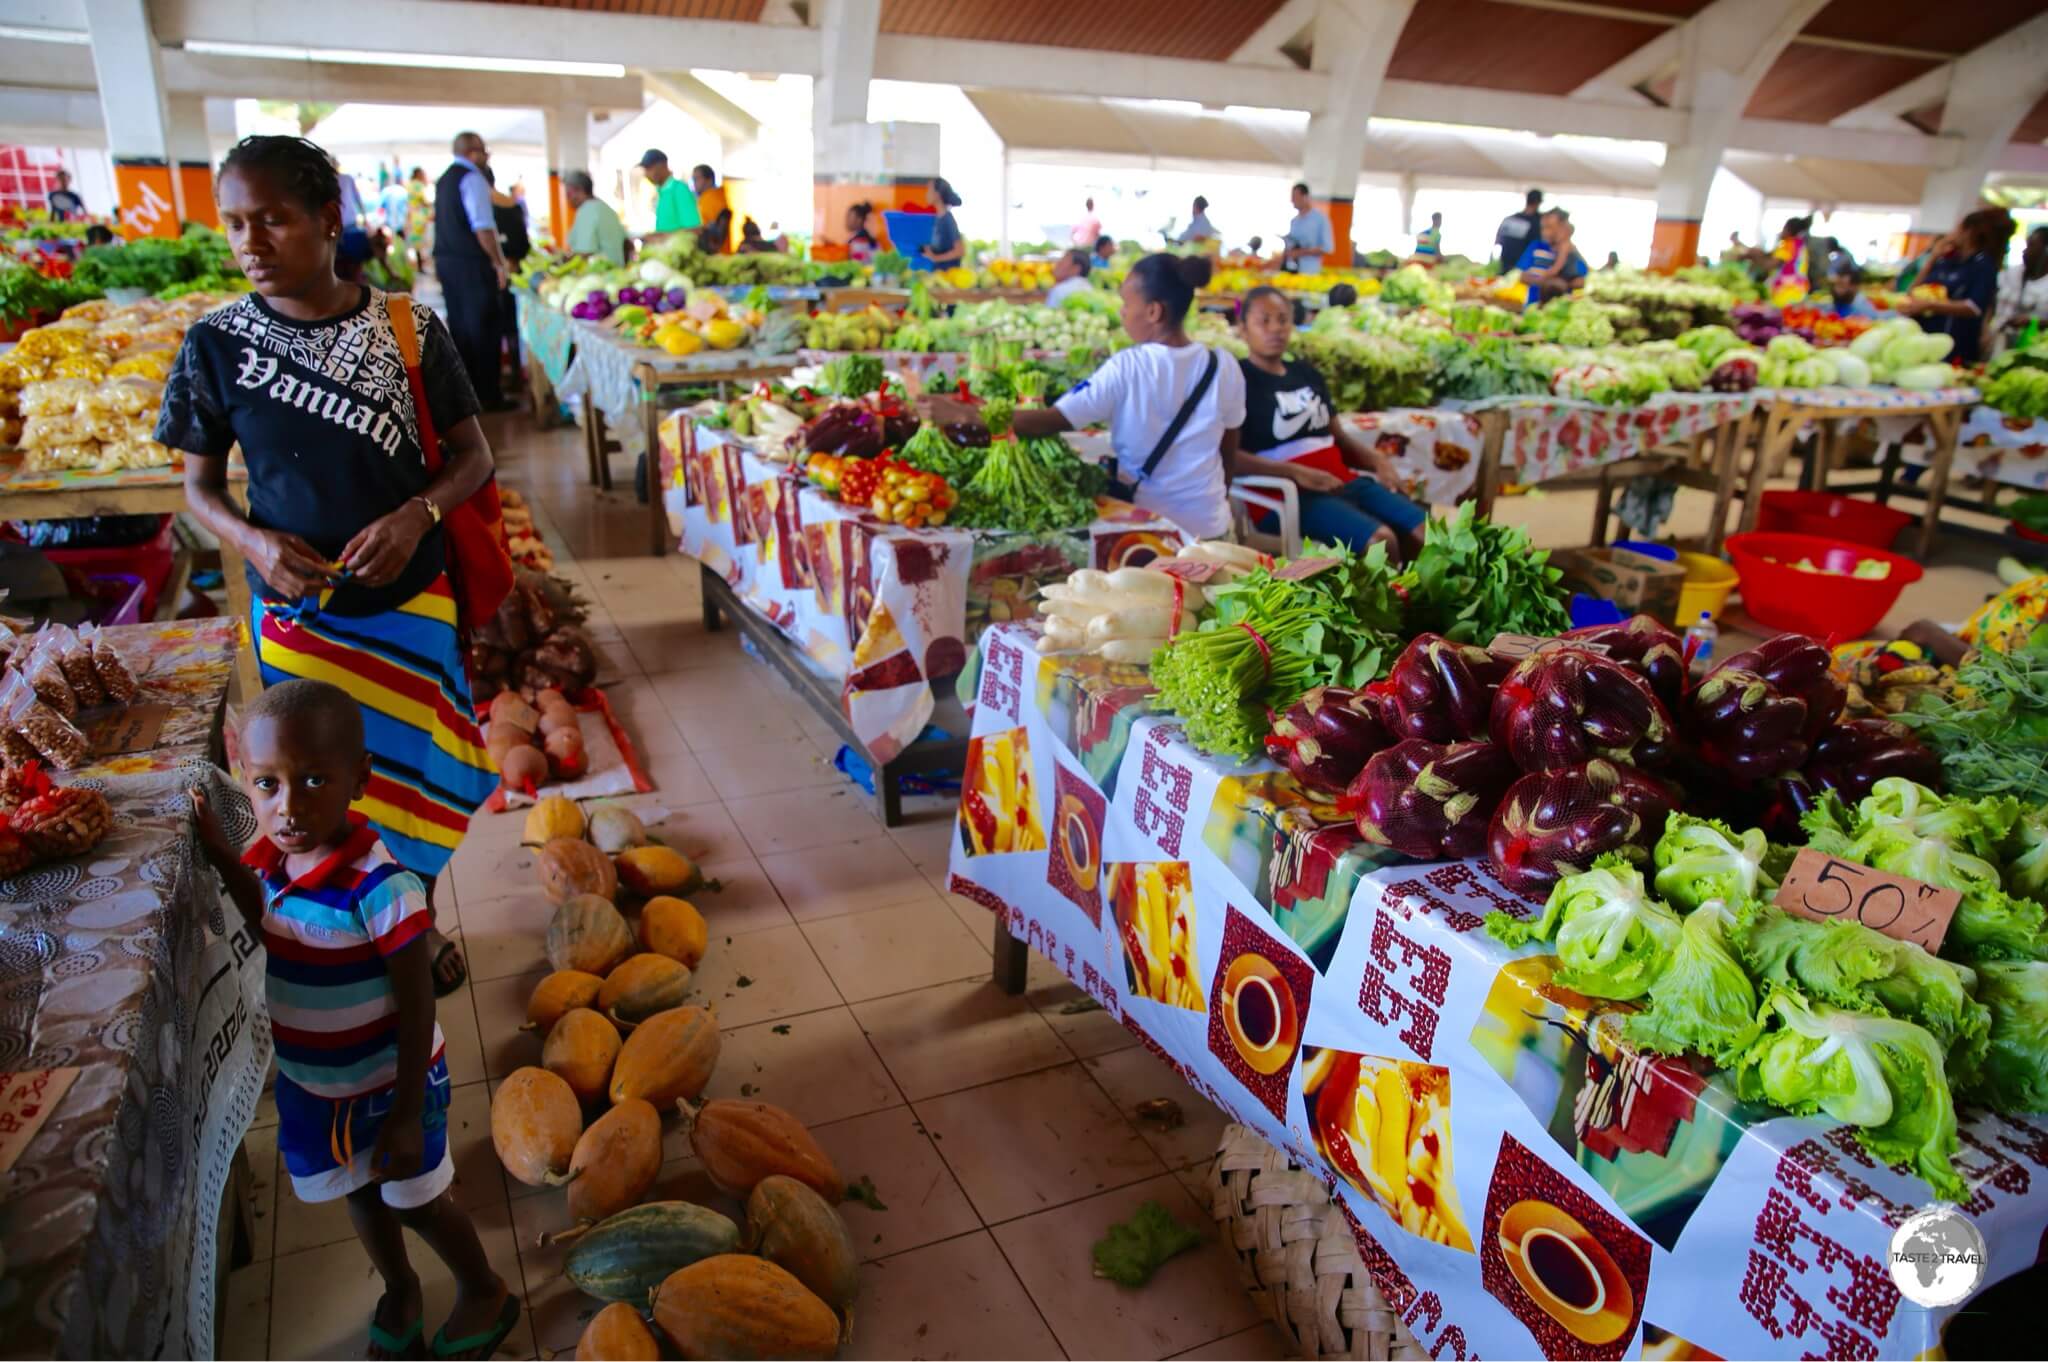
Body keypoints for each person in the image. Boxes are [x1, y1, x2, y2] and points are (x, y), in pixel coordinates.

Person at [159, 134, 499, 1002]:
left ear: (328, 220)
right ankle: (326, 938)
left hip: (410, 606)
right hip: (300, 621)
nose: (251, 243)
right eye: (235, 224)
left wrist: (416, 512)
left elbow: (473, 457)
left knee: (407, 788)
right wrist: (257, 541)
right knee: (310, 794)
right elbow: (197, 489)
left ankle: (411, 927)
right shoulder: (215, 345)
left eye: (273, 219)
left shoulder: (406, 328)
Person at [189, 681, 516, 1361]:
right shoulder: (276, 863)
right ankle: (399, 1288)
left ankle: (483, 1288)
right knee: (361, 1195)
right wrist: (224, 855)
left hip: (391, 1085)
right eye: (267, 785)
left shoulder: (380, 884)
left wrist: (401, 1110)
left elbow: (417, 996)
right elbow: (273, 924)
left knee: (417, 1199)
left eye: (312, 780)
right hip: (317, 1085)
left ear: (359, 779)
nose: (289, 807)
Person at [928, 254, 1241, 539]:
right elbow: (1228, 449)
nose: (1121, 313)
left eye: (1125, 304)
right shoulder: (1222, 364)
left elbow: (1052, 421)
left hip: (1153, 529)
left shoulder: (1127, 366)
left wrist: (965, 415)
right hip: (1212, 526)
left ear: (1153, 311)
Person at [1233, 285, 1425, 558]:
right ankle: (1386, 600)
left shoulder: (1306, 373)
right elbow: (1230, 457)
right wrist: (1296, 473)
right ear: (1243, 328)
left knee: (1426, 533)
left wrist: (1376, 462)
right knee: (1380, 543)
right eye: (1263, 321)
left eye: (1283, 319)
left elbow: (1340, 438)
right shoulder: (1237, 380)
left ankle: (1418, 600)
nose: (1275, 328)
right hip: (1286, 496)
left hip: (1340, 481)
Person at [431, 132, 513, 409]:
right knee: (484, 328)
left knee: (462, 329)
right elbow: (483, 228)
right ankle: (488, 395)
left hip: (449, 264)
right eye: (484, 152)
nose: (486, 157)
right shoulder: (472, 178)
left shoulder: (445, 180)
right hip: (471, 265)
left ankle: (469, 396)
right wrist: (498, 263)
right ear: (473, 153)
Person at [1895, 207, 2012, 366]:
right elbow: (1912, 292)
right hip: (1923, 338)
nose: (1953, 232)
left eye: (1958, 228)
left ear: (1969, 232)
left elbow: (1974, 306)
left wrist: (1929, 305)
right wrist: (1933, 257)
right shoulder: (1947, 260)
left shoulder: (1982, 265)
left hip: (1954, 346)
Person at [1515, 209, 1586, 308]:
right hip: (1533, 309)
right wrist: (1548, 282)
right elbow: (1522, 277)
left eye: (1550, 227)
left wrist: (1558, 283)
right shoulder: (1536, 246)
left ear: (1563, 227)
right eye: (1543, 228)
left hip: (1559, 312)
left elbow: (1580, 282)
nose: (1545, 232)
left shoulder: (1571, 252)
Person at [1994, 226, 2048, 351]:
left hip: (2036, 348)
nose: (2025, 251)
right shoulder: (2012, 274)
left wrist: (2033, 322)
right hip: (2000, 340)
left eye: (2032, 246)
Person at [563, 170, 626, 267]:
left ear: (580, 190)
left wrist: (562, 263)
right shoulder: (605, 208)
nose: (567, 199)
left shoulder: (586, 211)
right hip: (618, 270)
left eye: (568, 194)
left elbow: (584, 252)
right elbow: (627, 243)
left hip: (601, 273)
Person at [638, 149, 700, 240]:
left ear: (662, 165)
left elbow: (695, 230)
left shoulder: (679, 189)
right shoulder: (662, 192)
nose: (646, 174)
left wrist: (660, 238)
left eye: (649, 169)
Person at [1281, 183, 1333, 274]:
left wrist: (1301, 252)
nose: (1292, 200)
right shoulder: (1294, 221)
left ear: (1305, 197)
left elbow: (1327, 248)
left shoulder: (1320, 219)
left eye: (1295, 197)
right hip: (1292, 269)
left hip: (1310, 272)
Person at [1494, 188, 1543, 276]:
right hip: (1524, 272)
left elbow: (1498, 242)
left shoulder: (1510, 219)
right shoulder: (1539, 222)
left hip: (1504, 266)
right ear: (1539, 202)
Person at [922, 178, 966, 266]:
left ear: (937, 194)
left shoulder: (947, 219)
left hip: (949, 275)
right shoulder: (937, 218)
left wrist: (936, 258)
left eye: (929, 190)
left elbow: (960, 251)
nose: (926, 194)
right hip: (938, 274)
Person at [692, 163, 731, 253]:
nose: (694, 183)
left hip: (717, 256)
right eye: (693, 179)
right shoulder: (703, 199)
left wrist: (714, 248)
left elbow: (723, 219)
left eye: (697, 179)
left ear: (709, 180)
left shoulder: (715, 197)